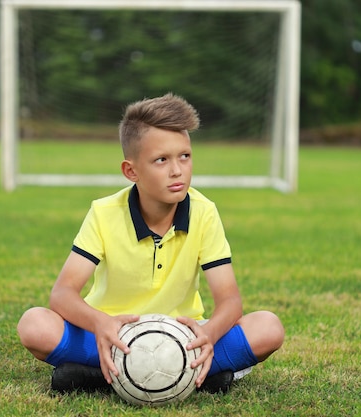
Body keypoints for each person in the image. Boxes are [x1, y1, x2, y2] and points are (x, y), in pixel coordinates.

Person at [17, 93, 284, 394]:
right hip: (111, 334)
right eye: (161, 160)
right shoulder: (104, 213)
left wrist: (209, 334)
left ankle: (98, 377)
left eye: (185, 156)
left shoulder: (204, 212)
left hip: (183, 340)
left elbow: (230, 300)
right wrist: (101, 323)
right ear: (131, 171)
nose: (177, 170)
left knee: (268, 327)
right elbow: (63, 294)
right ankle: (188, 379)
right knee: (34, 325)